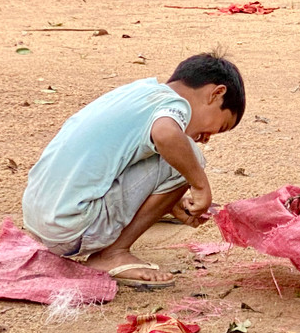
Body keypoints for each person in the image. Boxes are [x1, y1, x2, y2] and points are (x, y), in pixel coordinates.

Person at [22, 52, 245, 287]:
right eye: (221, 126)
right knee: (189, 155)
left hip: (40, 219)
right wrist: (200, 186)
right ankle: (112, 253)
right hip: (71, 229)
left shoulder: (141, 92)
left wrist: (170, 201)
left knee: (176, 152)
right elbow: (166, 135)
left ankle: (123, 232)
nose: (207, 138)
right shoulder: (175, 105)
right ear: (216, 93)